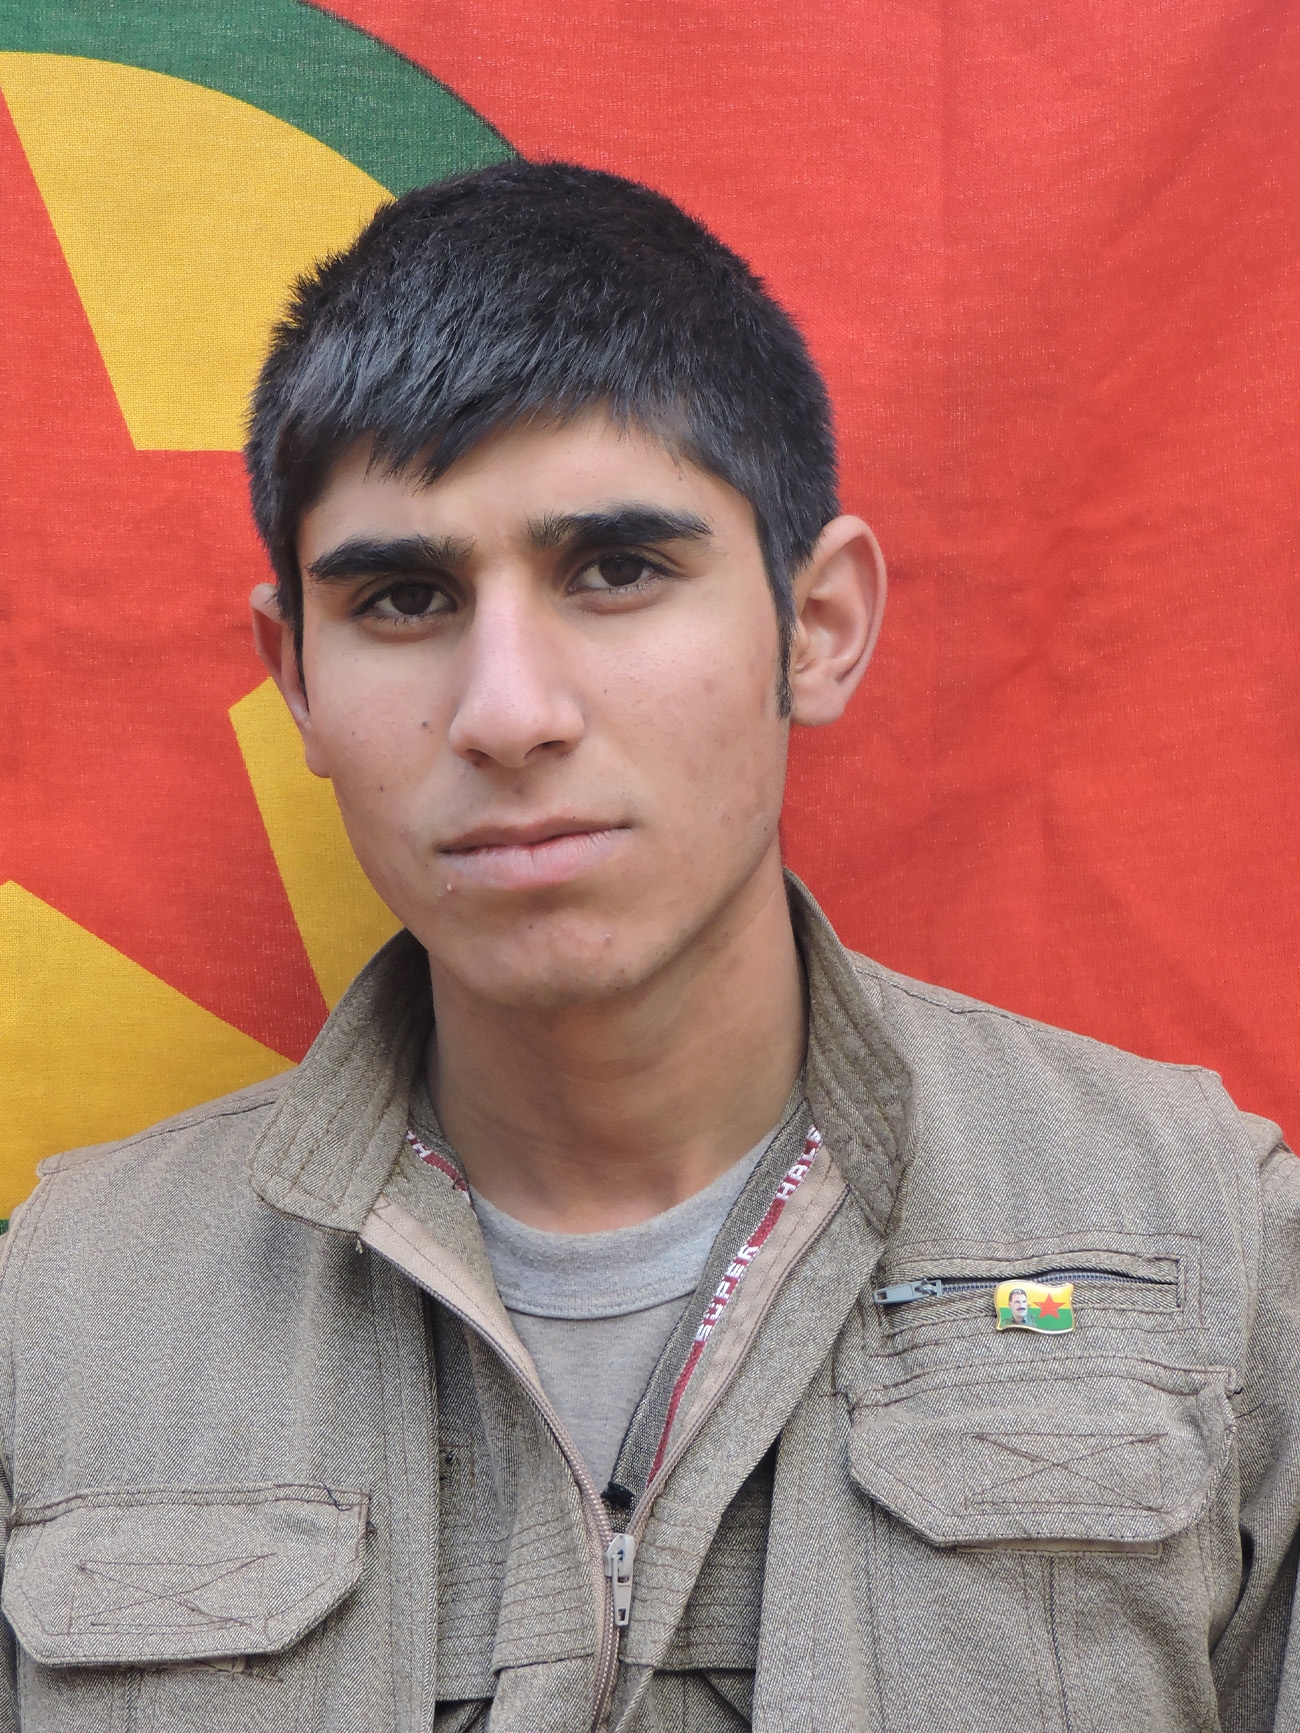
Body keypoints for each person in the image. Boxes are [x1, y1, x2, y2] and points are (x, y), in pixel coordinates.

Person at [0, 161, 1296, 1733]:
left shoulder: (1210, 1250)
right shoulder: (59, 1322)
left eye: (616, 570)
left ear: (818, 627)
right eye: (403, 597)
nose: (508, 712)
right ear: (298, 680)